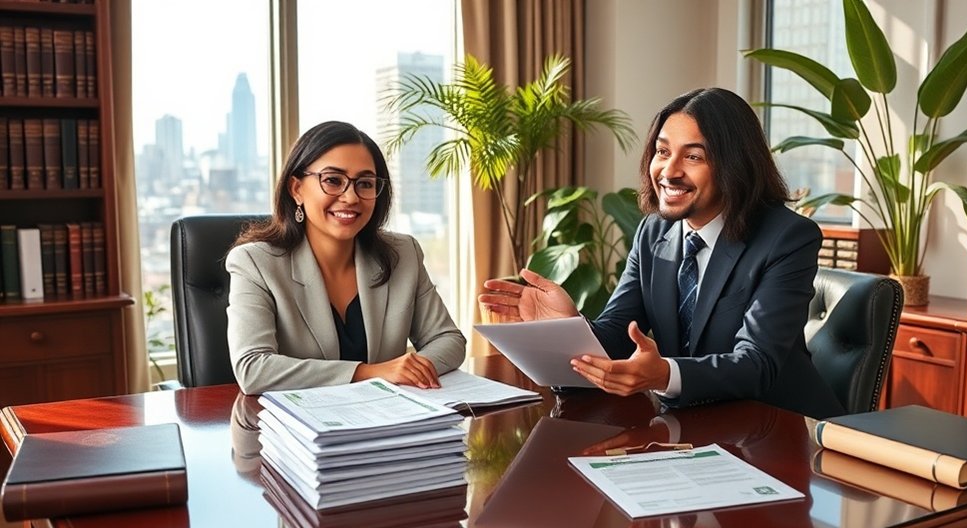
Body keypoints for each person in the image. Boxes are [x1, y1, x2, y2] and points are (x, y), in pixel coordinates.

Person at [479, 87, 844, 419]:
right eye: (663, 152)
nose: (669, 171)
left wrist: (666, 374)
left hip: (781, 429)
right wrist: (567, 326)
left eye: (694, 156)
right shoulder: (653, 231)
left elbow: (757, 363)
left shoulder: (786, 238)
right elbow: (619, 332)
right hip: (696, 428)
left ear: (735, 165)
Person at [226, 121, 466, 395]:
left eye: (365, 183)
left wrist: (411, 370)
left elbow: (448, 339)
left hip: (388, 414)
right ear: (297, 189)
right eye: (333, 180)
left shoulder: (403, 253)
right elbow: (253, 368)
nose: (351, 197)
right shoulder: (254, 263)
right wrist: (371, 373)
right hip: (300, 419)